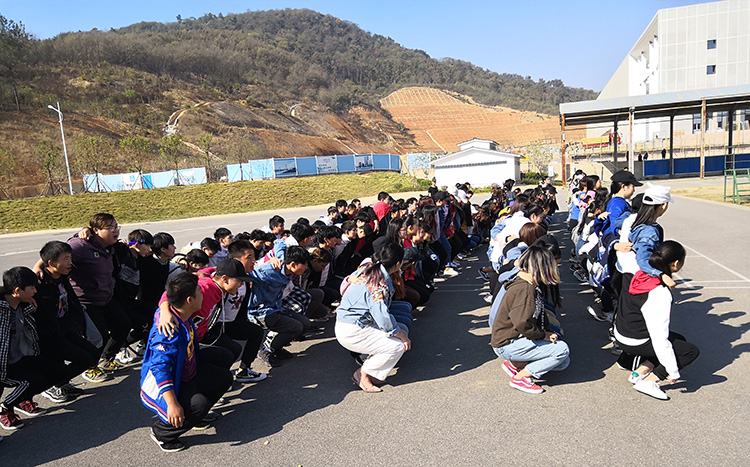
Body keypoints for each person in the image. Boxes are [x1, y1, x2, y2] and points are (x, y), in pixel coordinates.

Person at [140, 273, 233, 452]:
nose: (203, 294)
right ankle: (162, 433)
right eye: (200, 291)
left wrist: (165, 307)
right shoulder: (167, 331)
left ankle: (195, 418)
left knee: (224, 373)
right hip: (170, 384)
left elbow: (167, 295)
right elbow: (160, 369)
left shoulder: (177, 311)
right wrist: (172, 404)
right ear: (190, 300)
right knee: (199, 404)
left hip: (187, 369)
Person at [614, 241, 699, 400]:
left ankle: (638, 372)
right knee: (690, 351)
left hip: (621, 333)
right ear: (675, 264)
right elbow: (659, 337)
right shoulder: (659, 292)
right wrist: (672, 370)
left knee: (679, 340)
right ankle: (650, 381)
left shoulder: (640, 273)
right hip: (635, 340)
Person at [490, 245, 569, 394]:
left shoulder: (529, 284)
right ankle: (520, 378)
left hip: (514, 340)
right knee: (562, 350)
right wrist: (542, 335)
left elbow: (540, 313)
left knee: (563, 362)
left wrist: (547, 331)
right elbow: (522, 323)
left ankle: (515, 365)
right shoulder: (524, 290)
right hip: (507, 343)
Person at [335, 242, 411, 393]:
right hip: (352, 329)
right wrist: (402, 337)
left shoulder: (368, 269)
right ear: (397, 264)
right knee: (398, 345)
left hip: (351, 323)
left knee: (401, 329)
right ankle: (363, 374)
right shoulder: (379, 283)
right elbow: (382, 317)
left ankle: (373, 368)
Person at [1, 266, 67, 429]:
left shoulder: (22, 306)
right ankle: (5, 409)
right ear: (17, 290)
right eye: (32, 288)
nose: (35, 291)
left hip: (20, 358)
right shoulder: (2, 312)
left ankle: (21, 401)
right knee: (27, 382)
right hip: (3, 366)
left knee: (56, 371)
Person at [34, 241, 100, 402]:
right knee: (82, 359)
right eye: (66, 259)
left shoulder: (63, 276)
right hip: (48, 334)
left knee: (92, 354)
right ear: (51, 263)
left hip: (65, 328)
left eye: (70, 258)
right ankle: (52, 385)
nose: (70, 262)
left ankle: (60, 382)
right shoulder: (39, 282)